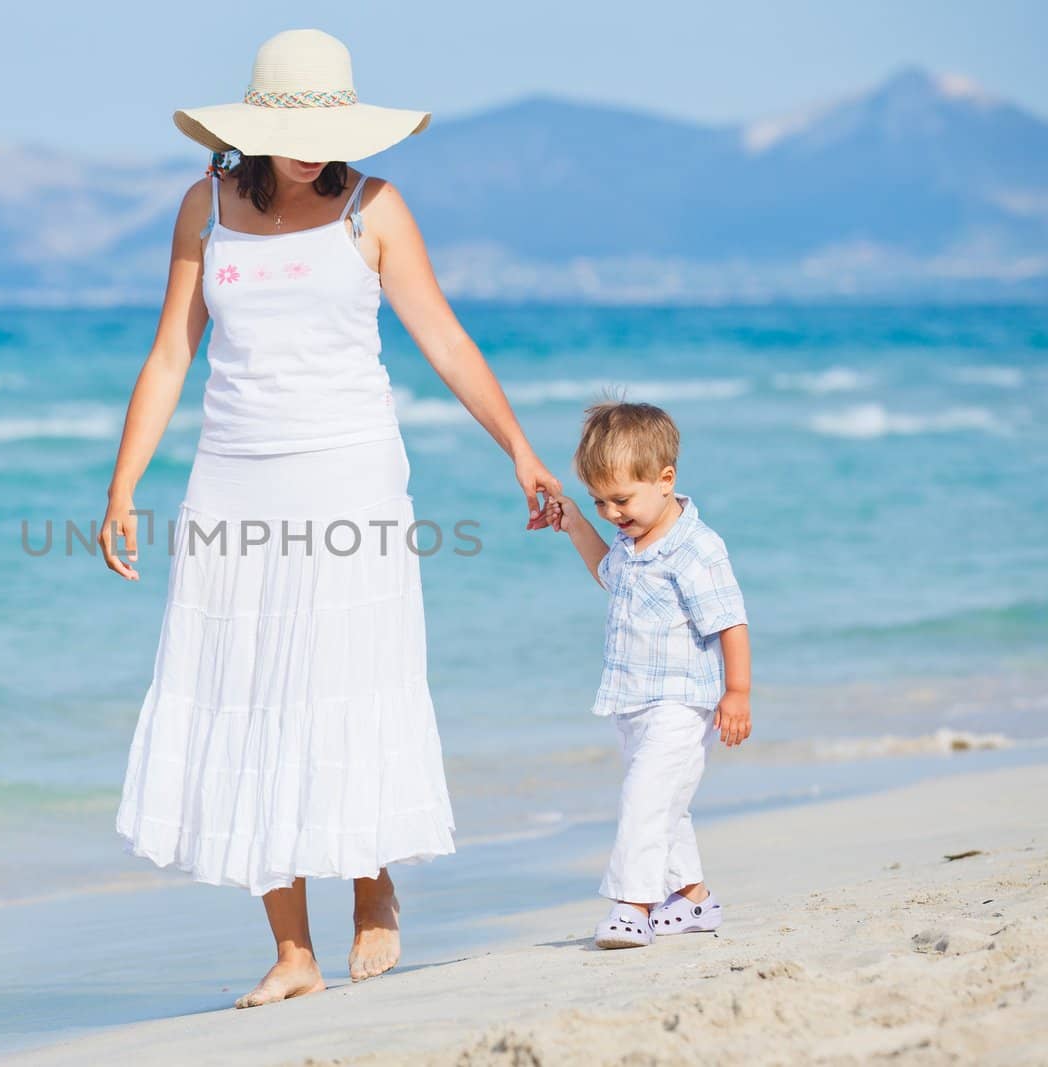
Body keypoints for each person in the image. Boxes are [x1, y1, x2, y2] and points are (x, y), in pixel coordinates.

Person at [99, 28, 562, 1006]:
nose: (313, 147)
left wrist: (517, 448)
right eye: (293, 126)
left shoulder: (375, 209)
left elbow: (440, 334)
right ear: (253, 127)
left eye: (328, 126)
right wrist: (122, 487)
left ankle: (372, 876)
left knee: (349, 676)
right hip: (232, 480)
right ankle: (291, 948)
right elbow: (170, 355)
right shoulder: (204, 207)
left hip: (350, 473)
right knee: (247, 692)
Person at [543, 401, 752, 950]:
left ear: (665, 481)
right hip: (633, 700)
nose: (612, 512)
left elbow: (731, 619)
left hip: (682, 702)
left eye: (621, 499)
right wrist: (572, 519)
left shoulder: (696, 548)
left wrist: (737, 692)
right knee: (666, 802)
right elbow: (607, 575)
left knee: (643, 798)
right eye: (599, 501)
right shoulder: (629, 543)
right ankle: (694, 899)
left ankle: (632, 905)